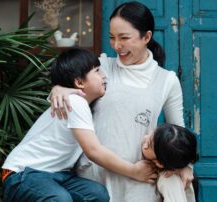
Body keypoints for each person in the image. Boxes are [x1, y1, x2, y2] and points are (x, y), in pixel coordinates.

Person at [50, 2, 194, 201]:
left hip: (139, 181)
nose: (116, 46)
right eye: (112, 37)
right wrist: (58, 88)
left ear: (146, 37)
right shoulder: (101, 67)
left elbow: (178, 130)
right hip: (93, 179)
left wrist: (186, 165)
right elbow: (68, 91)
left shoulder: (166, 80)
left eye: (124, 38)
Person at [1, 48, 157, 202]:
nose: (104, 76)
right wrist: (133, 171)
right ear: (79, 82)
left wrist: (58, 88)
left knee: (97, 194)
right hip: (22, 174)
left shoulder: (81, 102)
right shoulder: (75, 103)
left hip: (56, 175)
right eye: (97, 71)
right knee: (59, 199)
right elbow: (93, 150)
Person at [142, 123, 198, 202]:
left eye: (148, 144)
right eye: (151, 133)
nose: (145, 137)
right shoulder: (171, 168)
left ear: (159, 163)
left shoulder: (169, 179)